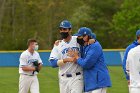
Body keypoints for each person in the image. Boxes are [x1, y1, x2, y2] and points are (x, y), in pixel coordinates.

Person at [68, 27, 111, 93]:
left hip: (98, 82)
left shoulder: (95, 46)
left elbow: (86, 64)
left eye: (80, 36)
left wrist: (77, 57)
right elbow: (69, 38)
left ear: (86, 36)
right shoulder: (84, 46)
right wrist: (60, 41)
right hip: (90, 82)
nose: (78, 38)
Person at [49, 20, 83, 93]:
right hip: (63, 79)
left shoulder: (77, 39)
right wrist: (67, 60)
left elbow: (89, 37)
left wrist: (92, 40)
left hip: (77, 77)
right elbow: (53, 63)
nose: (62, 31)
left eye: (64, 29)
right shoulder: (58, 45)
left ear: (70, 30)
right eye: (61, 29)